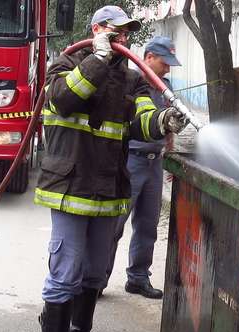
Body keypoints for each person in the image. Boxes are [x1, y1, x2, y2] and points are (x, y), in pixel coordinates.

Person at [35, 5, 188, 332]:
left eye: (127, 34)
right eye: (116, 32)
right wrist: (99, 58)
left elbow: (142, 120)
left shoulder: (133, 80)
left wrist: (165, 121)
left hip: (109, 188)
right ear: (98, 30)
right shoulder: (65, 62)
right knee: (66, 272)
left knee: (95, 271)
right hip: (71, 187)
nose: (124, 39)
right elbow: (65, 99)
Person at [103, 36, 181, 300]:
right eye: (164, 62)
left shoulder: (165, 88)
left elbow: (168, 127)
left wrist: (169, 156)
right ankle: (97, 280)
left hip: (154, 164)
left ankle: (138, 278)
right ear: (148, 57)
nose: (168, 68)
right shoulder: (130, 84)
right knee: (115, 224)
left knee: (148, 225)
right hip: (131, 161)